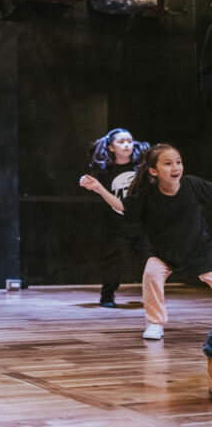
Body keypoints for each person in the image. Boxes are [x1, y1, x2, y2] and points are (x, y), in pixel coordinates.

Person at [79, 143, 212, 341]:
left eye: (178, 162)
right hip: (163, 252)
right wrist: (98, 188)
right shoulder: (148, 194)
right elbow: (122, 206)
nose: (175, 168)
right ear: (153, 170)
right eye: (167, 163)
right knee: (151, 275)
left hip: (198, 250)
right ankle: (155, 323)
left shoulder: (193, 184)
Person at [84, 128, 149, 308]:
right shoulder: (105, 171)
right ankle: (107, 296)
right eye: (121, 142)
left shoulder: (141, 169)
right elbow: (93, 184)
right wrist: (86, 181)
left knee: (151, 259)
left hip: (140, 223)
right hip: (117, 223)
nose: (127, 144)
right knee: (115, 260)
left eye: (129, 140)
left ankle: (153, 297)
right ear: (111, 147)